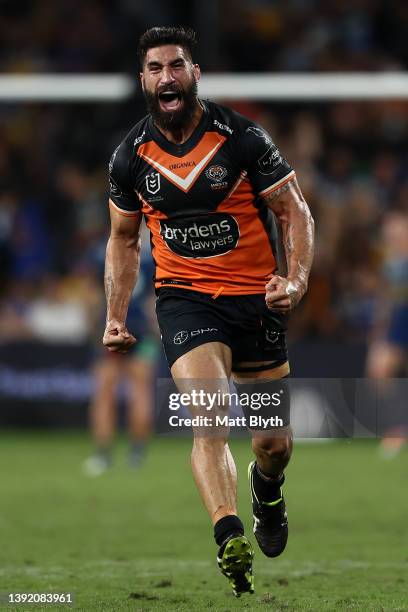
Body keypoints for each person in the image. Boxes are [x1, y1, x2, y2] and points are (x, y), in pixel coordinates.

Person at [103, 26, 314, 597]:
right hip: (185, 300)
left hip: (256, 302)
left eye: (176, 66)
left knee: (273, 444)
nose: (166, 76)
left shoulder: (241, 138)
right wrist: (116, 314)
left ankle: (266, 490)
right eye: (155, 68)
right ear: (143, 79)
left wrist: (293, 280)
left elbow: (293, 212)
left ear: (195, 74)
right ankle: (227, 533)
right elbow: (123, 239)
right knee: (210, 416)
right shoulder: (130, 156)